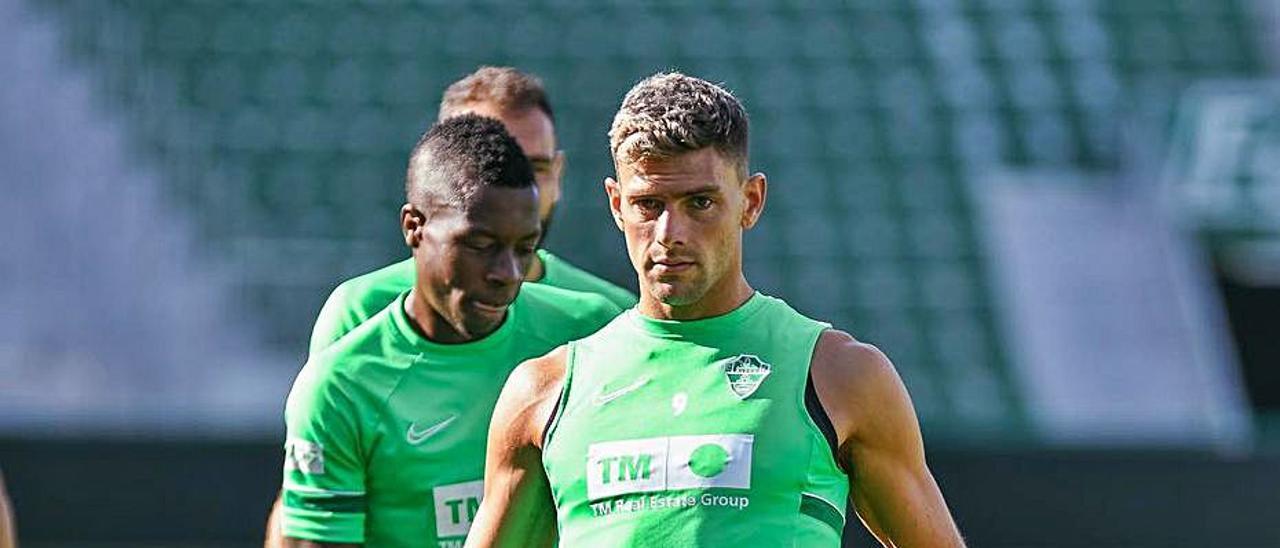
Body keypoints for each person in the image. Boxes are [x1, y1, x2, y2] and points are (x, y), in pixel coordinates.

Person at [465, 73, 966, 547]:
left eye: (700, 203)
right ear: (617, 205)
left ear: (750, 201)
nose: (669, 234)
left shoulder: (839, 375)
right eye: (648, 205)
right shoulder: (545, 392)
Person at [265, 67, 635, 546]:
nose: (508, 273)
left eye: (525, 246)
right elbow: (306, 513)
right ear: (414, 227)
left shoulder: (597, 326)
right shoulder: (351, 348)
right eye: (480, 242)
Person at [307, 67, 635, 357]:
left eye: (535, 166)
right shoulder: (363, 309)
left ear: (559, 174)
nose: (518, 188)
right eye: (488, 166)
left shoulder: (607, 317)